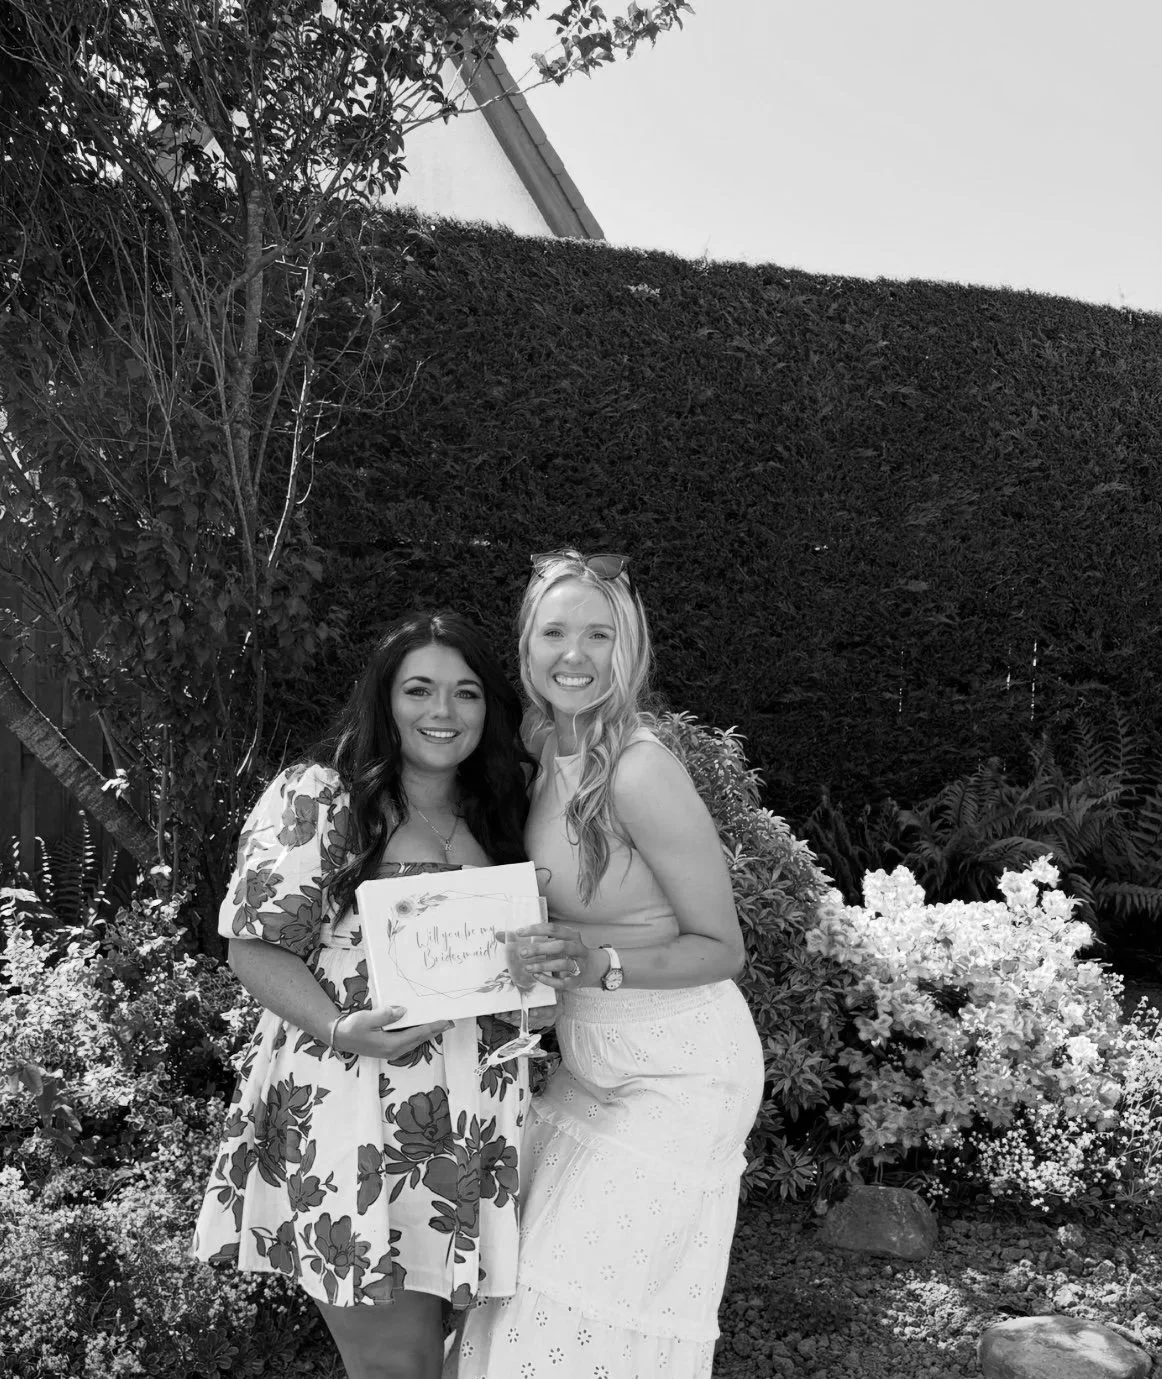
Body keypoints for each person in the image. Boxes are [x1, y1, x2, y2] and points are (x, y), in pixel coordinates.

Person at [193, 611, 536, 1379]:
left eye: (466, 692)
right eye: (419, 689)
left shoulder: (500, 811)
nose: (443, 711)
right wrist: (342, 1025)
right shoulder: (321, 797)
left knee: (466, 1358)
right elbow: (250, 945)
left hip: (480, 1124)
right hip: (358, 1111)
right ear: (383, 698)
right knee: (396, 1362)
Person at [458, 551, 765, 1379]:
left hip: (681, 1067)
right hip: (586, 1065)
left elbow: (722, 947)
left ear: (627, 647)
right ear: (526, 645)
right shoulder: (536, 745)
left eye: (599, 634)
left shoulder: (639, 768)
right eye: (555, 632)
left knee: (563, 1309)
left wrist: (598, 961)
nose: (575, 654)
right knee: (514, 1293)